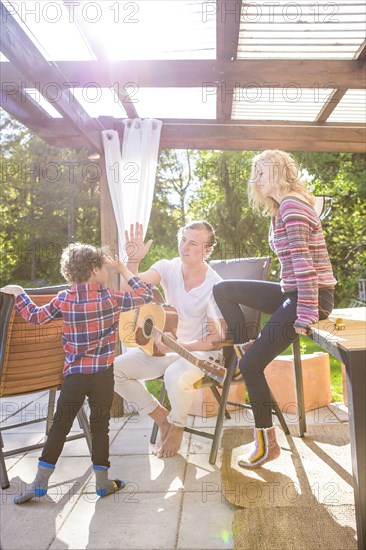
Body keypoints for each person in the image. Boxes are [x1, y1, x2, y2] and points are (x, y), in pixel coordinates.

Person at [0, 243, 153, 503]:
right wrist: (123, 268)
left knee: (59, 427)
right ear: (95, 269)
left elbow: (35, 317)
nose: (107, 272)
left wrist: (19, 293)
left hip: (74, 377)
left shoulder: (64, 298)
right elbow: (145, 294)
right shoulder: (111, 297)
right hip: (103, 374)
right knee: (100, 426)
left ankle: (40, 483)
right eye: (104, 268)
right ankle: (103, 483)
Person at [213, 150, 336, 469]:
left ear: (278, 172)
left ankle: (266, 444)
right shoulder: (282, 208)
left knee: (253, 367)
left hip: (311, 298)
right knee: (224, 290)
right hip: (292, 293)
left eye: (260, 173)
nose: (255, 180)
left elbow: (306, 267)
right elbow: (295, 270)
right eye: (254, 174)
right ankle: (243, 349)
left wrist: (306, 315)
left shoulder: (293, 206)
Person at [114, 221, 226, 458]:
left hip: (199, 352)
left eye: (193, 243)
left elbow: (216, 339)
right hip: (165, 349)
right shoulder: (167, 267)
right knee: (113, 371)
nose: (184, 246)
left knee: (175, 374)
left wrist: (181, 345)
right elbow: (129, 293)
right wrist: (132, 261)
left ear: (207, 250)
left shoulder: (215, 285)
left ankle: (178, 425)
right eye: (183, 239)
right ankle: (163, 419)